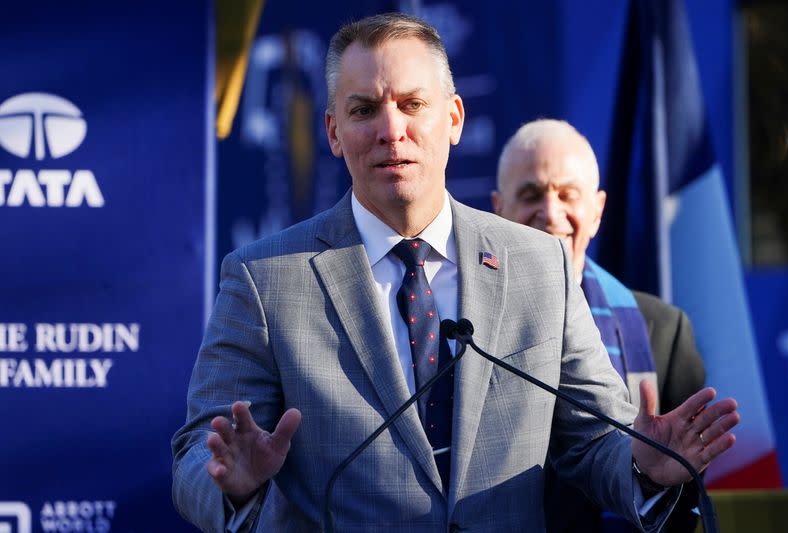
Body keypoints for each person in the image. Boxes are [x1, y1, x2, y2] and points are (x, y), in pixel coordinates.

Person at [172, 13, 739, 533]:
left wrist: (643, 464)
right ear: (333, 133)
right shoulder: (265, 278)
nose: (390, 131)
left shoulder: (538, 265)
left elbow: (596, 441)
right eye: (364, 109)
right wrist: (232, 484)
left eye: (412, 104)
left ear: (454, 119)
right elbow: (199, 453)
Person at [492, 118, 706, 532]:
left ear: (597, 211)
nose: (550, 213)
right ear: (499, 210)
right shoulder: (463, 329)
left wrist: (650, 470)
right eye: (531, 194)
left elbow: (684, 502)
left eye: (567, 194)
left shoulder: (665, 331)